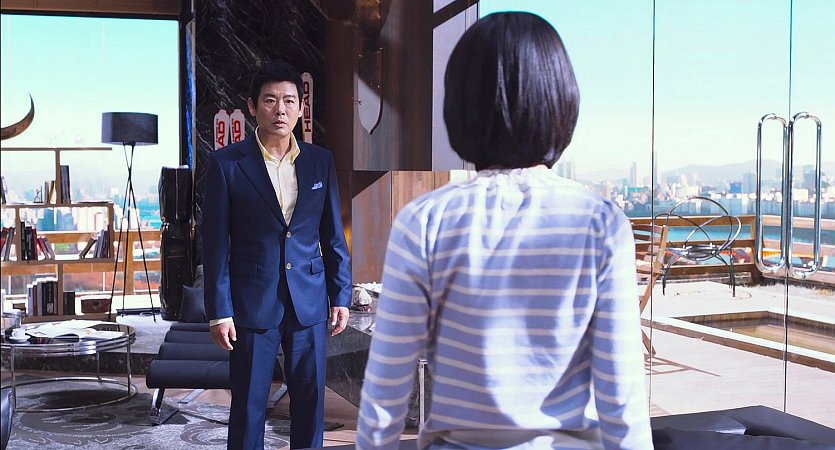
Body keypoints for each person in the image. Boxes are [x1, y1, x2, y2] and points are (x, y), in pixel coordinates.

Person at [357, 12, 652, 450]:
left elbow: (386, 388)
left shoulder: (424, 220)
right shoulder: (600, 221)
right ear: (561, 102)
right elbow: (621, 392)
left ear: (459, 106)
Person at [202, 61, 352, 450]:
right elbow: (215, 245)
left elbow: (332, 235)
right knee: (249, 407)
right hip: (252, 303)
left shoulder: (320, 161)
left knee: (310, 403)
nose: (280, 109)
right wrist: (220, 310)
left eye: (288, 100)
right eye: (270, 100)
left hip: (309, 302)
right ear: (253, 107)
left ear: (301, 108)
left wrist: (341, 295)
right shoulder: (226, 164)